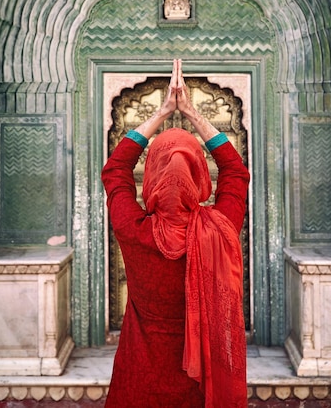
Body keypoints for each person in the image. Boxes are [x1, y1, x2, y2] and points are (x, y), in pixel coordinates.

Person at [101, 59, 250, 408]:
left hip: (141, 379)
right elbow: (235, 172)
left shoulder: (133, 230)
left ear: (151, 174)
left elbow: (115, 170)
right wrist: (193, 114)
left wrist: (162, 113)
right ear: (199, 175)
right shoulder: (219, 228)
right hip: (200, 386)